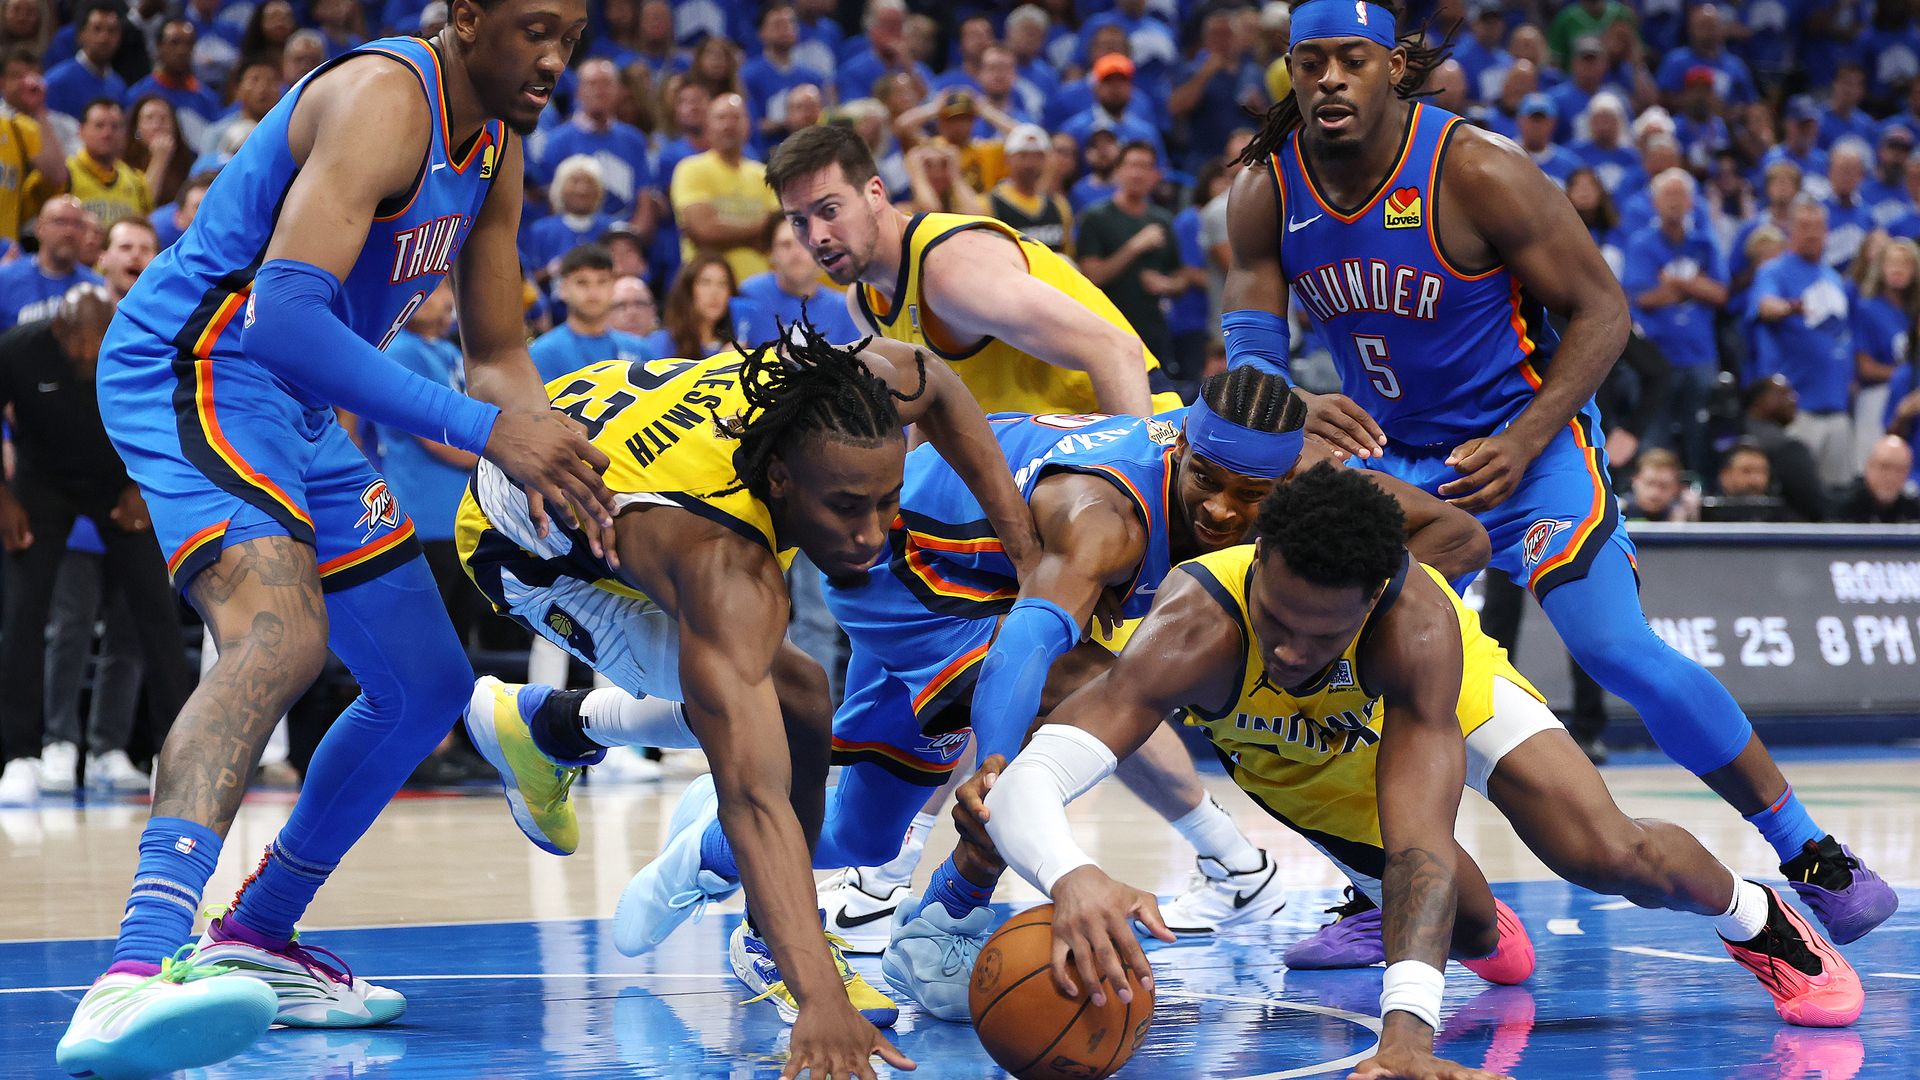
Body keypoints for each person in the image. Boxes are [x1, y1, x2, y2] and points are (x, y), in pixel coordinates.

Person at [1218, 0, 1895, 969]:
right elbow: (1249, 348)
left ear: (1394, 66)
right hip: (1399, 459)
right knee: (1323, 663)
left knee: (1613, 648)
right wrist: (1284, 400)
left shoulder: (1478, 169)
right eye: (1310, 62)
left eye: (1351, 60)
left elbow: (1604, 310)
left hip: (1527, 450)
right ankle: (1386, 889)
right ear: (1289, 68)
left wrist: (1529, 430)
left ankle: (1811, 856)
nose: (1328, 79)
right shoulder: (1264, 190)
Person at [55, 9, 622, 1077]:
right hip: (203, 363)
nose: (557, 57)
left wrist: (561, 451)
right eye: (536, 29)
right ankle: (134, 971)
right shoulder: (383, 100)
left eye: (574, 32)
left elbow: (497, 358)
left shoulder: (497, 140)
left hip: (301, 404)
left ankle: (258, 933)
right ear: (466, 16)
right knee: (279, 636)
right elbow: (282, 316)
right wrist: (475, 428)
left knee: (424, 684)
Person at [958, 466, 1863, 1080]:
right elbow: (1026, 783)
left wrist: (1404, 1039)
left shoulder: (1414, 625)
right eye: (1276, 616)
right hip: (1297, 754)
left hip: (1434, 697)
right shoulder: (1193, 625)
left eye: (1321, 633)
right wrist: (1071, 875)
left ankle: (1758, 915)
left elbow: (1421, 844)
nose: (1289, 646)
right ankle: (1478, 924)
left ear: (1376, 596)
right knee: (1470, 933)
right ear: (1256, 567)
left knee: (1602, 851)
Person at [456, 327, 1040, 1077]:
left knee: (771, 691)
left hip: (611, 420)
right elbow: (753, 800)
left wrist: (1025, 553)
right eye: (846, 508)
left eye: (886, 501)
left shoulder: (864, 387)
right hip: (531, 546)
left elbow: (938, 383)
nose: (872, 535)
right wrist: (822, 995)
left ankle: (552, 730)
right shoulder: (721, 564)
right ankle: (765, 940)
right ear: (779, 481)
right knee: (792, 702)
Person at [768, 122, 1178, 417]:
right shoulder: (864, 300)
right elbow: (930, 411)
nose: (816, 235)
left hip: (1135, 416)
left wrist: (1138, 491)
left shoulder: (951, 272)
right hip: (1038, 450)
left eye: (830, 210)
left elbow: (1115, 350)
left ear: (875, 193)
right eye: (799, 221)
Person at [0, 284, 195, 808]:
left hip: (121, 479)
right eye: (79, 345)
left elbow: (172, 420)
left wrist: (141, 490)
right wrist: (5, 498)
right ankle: (18, 755)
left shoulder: (141, 347)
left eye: (99, 343)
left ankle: (173, 754)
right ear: (57, 330)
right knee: (23, 610)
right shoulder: (18, 348)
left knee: (156, 610)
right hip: (44, 483)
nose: (89, 357)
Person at [1622, 167, 1726, 473]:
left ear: (1693, 202)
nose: (1675, 202)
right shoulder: (1641, 242)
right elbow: (1642, 297)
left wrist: (1675, 284)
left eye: (1681, 194)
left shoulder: (1705, 241)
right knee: (1655, 434)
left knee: (1701, 435)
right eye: (1668, 194)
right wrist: (1695, 285)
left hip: (1700, 354)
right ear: (1654, 203)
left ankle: (1701, 501)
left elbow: (1720, 294)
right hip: (1656, 356)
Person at [1750, 197, 1858, 489]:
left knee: (1837, 497)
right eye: (1804, 226)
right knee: (1799, 494)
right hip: (1797, 411)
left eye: (1818, 227)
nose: (1812, 233)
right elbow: (1765, 306)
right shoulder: (1775, 271)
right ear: (1790, 230)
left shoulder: (1833, 277)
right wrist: (1791, 307)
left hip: (1837, 407)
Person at [1075, 140, 1182, 373]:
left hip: (1154, 334)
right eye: (1132, 165)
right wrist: (1135, 246)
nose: (1138, 173)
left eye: (1145, 166)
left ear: (1156, 175)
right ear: (1118, 171)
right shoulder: (1096, 217)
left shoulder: (1162, 219)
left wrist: (1167, 284)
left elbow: (1182, 277)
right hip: (1110, 331)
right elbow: (1092, 277)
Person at [670, 91, 780, 282]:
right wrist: (756, 234)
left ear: (747, 125)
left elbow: (776, 230)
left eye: (736, 117)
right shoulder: (691, 169)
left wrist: (723, 234)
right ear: (708, 125)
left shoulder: (764, 175)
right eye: (721, 118)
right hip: (707, 286)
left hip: (759, 286)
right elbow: (704, 231)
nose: (728, 125)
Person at [528, 243, 654, 382]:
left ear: (613, 287)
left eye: (602, 281)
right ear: (563, 288)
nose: (593, 292)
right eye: (582, 282)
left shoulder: (640, 349)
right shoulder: (542, 354)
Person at [737, 216, 857, 343]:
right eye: (785, 245)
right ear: (771, 253)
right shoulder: (747, 295)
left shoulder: (845, 309)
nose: (795, 253)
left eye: (804, 243)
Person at [0, 46, 69, 242]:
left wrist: (38, 108)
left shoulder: (20, 127)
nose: (26, 83)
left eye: (32, 77)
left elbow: (57, 175)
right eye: (17, 76)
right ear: (2, 83)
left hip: (5, 247)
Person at [0, 194, 100, 326]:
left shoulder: (97, 289)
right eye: (60, 222)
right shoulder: (5, 280)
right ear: (39, 228)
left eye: (77, 224)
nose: (69, 231)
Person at [125, 19, 222, 151]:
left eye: (188, 43)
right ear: (159, 46)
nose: (182, 50)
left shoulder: (208, 98)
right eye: (174, 42)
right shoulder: (138, 95)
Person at [519, 153, 611, 284]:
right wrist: (550, 271)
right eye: (575, 181)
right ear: (560, 188)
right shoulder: (540, 231)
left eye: (590, 182)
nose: (582, 190)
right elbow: (525, 280)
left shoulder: (613, 230)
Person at [642, 251, 753, 359]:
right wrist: (719, 365)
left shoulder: (737, 345)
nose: (714, 292)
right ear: (688, 290)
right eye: (705, 282)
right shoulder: (664, 342)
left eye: (722, 284)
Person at [63, 97, 150, 227]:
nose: (107, 133)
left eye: (115, 126)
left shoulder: (136, 180)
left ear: (125, 133)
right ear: (81, 131)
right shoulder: (64, 173)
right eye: (99, 126)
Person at [987, 122, 1072, 255]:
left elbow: (1067, 253)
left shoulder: (1058, 205)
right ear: (1008, 158)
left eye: (1037, 156)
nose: (1030, 163)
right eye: (1023, 155)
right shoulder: (990, 204)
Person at [43, 2, 125, 119]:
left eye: (112, 30)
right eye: (97, 29)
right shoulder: (56, 82)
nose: (104, 37)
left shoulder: (118, 86)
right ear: (80, 35)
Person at [1835, 434, 1920, 522]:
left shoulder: (1914, 511)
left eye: (1900, 469)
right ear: (1869, 466)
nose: (1891, 477)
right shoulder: (1843, 506)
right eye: (1885, 467)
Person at [94, 214, 155, 300]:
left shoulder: (170, 312)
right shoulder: (83, 309)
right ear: (102, 258)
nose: (136, 254)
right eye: (126, 247)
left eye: (145, 250)